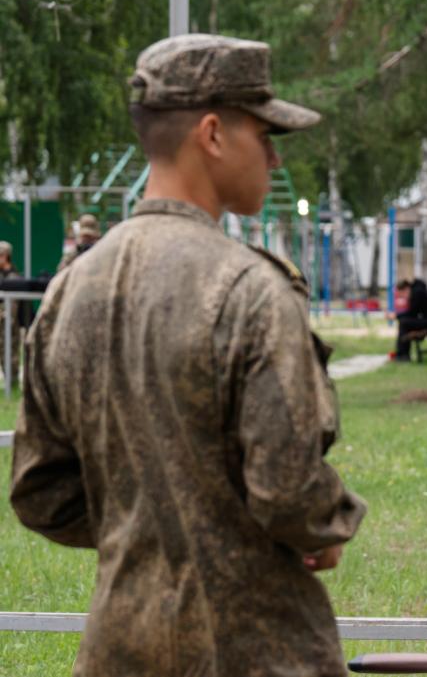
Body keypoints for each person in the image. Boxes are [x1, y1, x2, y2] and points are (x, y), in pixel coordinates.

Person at [10, 34, 366, 677]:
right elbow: (287, 492)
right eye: (265, 135)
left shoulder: (69, 290)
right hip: (257, 648)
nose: (274, 160)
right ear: (212, 133)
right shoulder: (251, 289)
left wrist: (145, 527)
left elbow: (40, 491)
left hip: (120, 647)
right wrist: (329, 525)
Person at [390, 278, 427, 361]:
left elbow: (412, 313)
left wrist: (396, 316)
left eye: (402, 295)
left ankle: (402, 355)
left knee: (404, 323)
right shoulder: (418, 291)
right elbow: (413, 313)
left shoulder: (417, 293)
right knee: (405, 322)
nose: (404, 298)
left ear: (406, 289)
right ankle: (402, 354)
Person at [0, 241, 23, 383]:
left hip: (8, 323)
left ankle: (12, 382)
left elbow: (12, 307)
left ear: (6, 256)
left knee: (9, 352)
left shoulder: (14, 278)